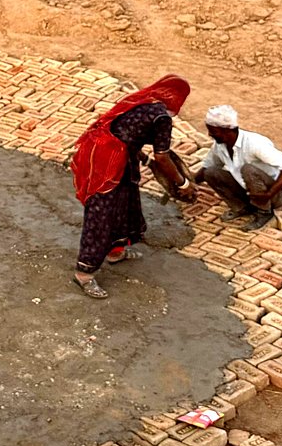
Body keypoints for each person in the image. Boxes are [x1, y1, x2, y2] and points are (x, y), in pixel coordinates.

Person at [69, 75, 197, 299]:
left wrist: (144, 161)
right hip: (107, 160)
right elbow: (163, 157)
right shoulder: (161, 119)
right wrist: (183, 183)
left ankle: (115, 251)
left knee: (126, 201)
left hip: (113, 153)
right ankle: (84, 274)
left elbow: (126, 133)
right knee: (102, 212)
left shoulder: (142, 102)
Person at [194, 105, 282, 230]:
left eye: (213, 131)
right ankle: (242, 207)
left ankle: (264, 212)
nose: (210, 134)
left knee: (248, 170)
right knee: (210, 172)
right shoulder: (220, 146)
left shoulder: (254, 143)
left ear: (227, 130)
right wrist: (186, 183)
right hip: (248, 192)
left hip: (273, 196)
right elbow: (206, 168)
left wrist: (269, 194)